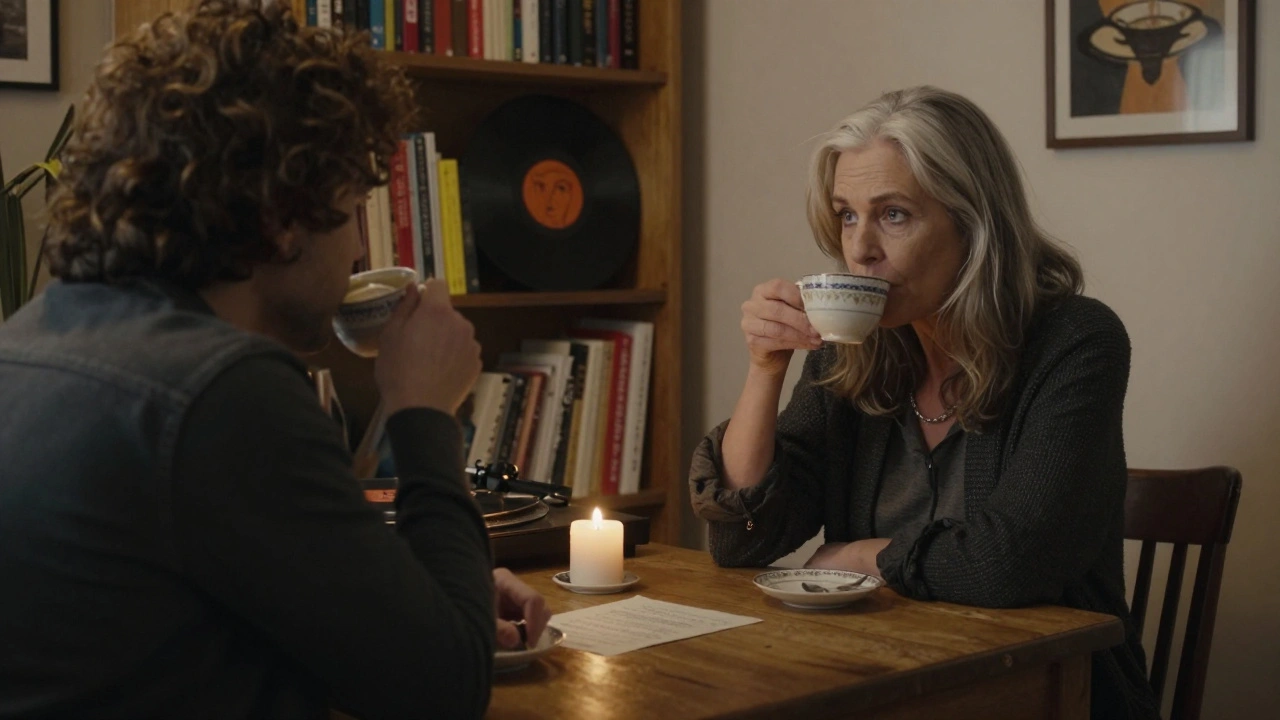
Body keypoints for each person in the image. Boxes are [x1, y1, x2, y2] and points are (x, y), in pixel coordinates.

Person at [0, 2, 549, 718]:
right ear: (283, 218)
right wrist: (422, 410)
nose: (359, 247)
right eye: (353, 209)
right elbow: (444, 688)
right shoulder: (225, 392)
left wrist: (441, 586)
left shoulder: (28, 338)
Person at [688, 86, 1159, 720]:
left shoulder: (1076, 342)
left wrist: (862, 557)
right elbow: (744, 542)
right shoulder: (852, 351)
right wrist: (764, 369)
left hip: (1051, 694)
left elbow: (1009, 564)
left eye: (894, 215)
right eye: (847, 215)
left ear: (973, 223)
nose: (859, 249)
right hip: (879, 681)